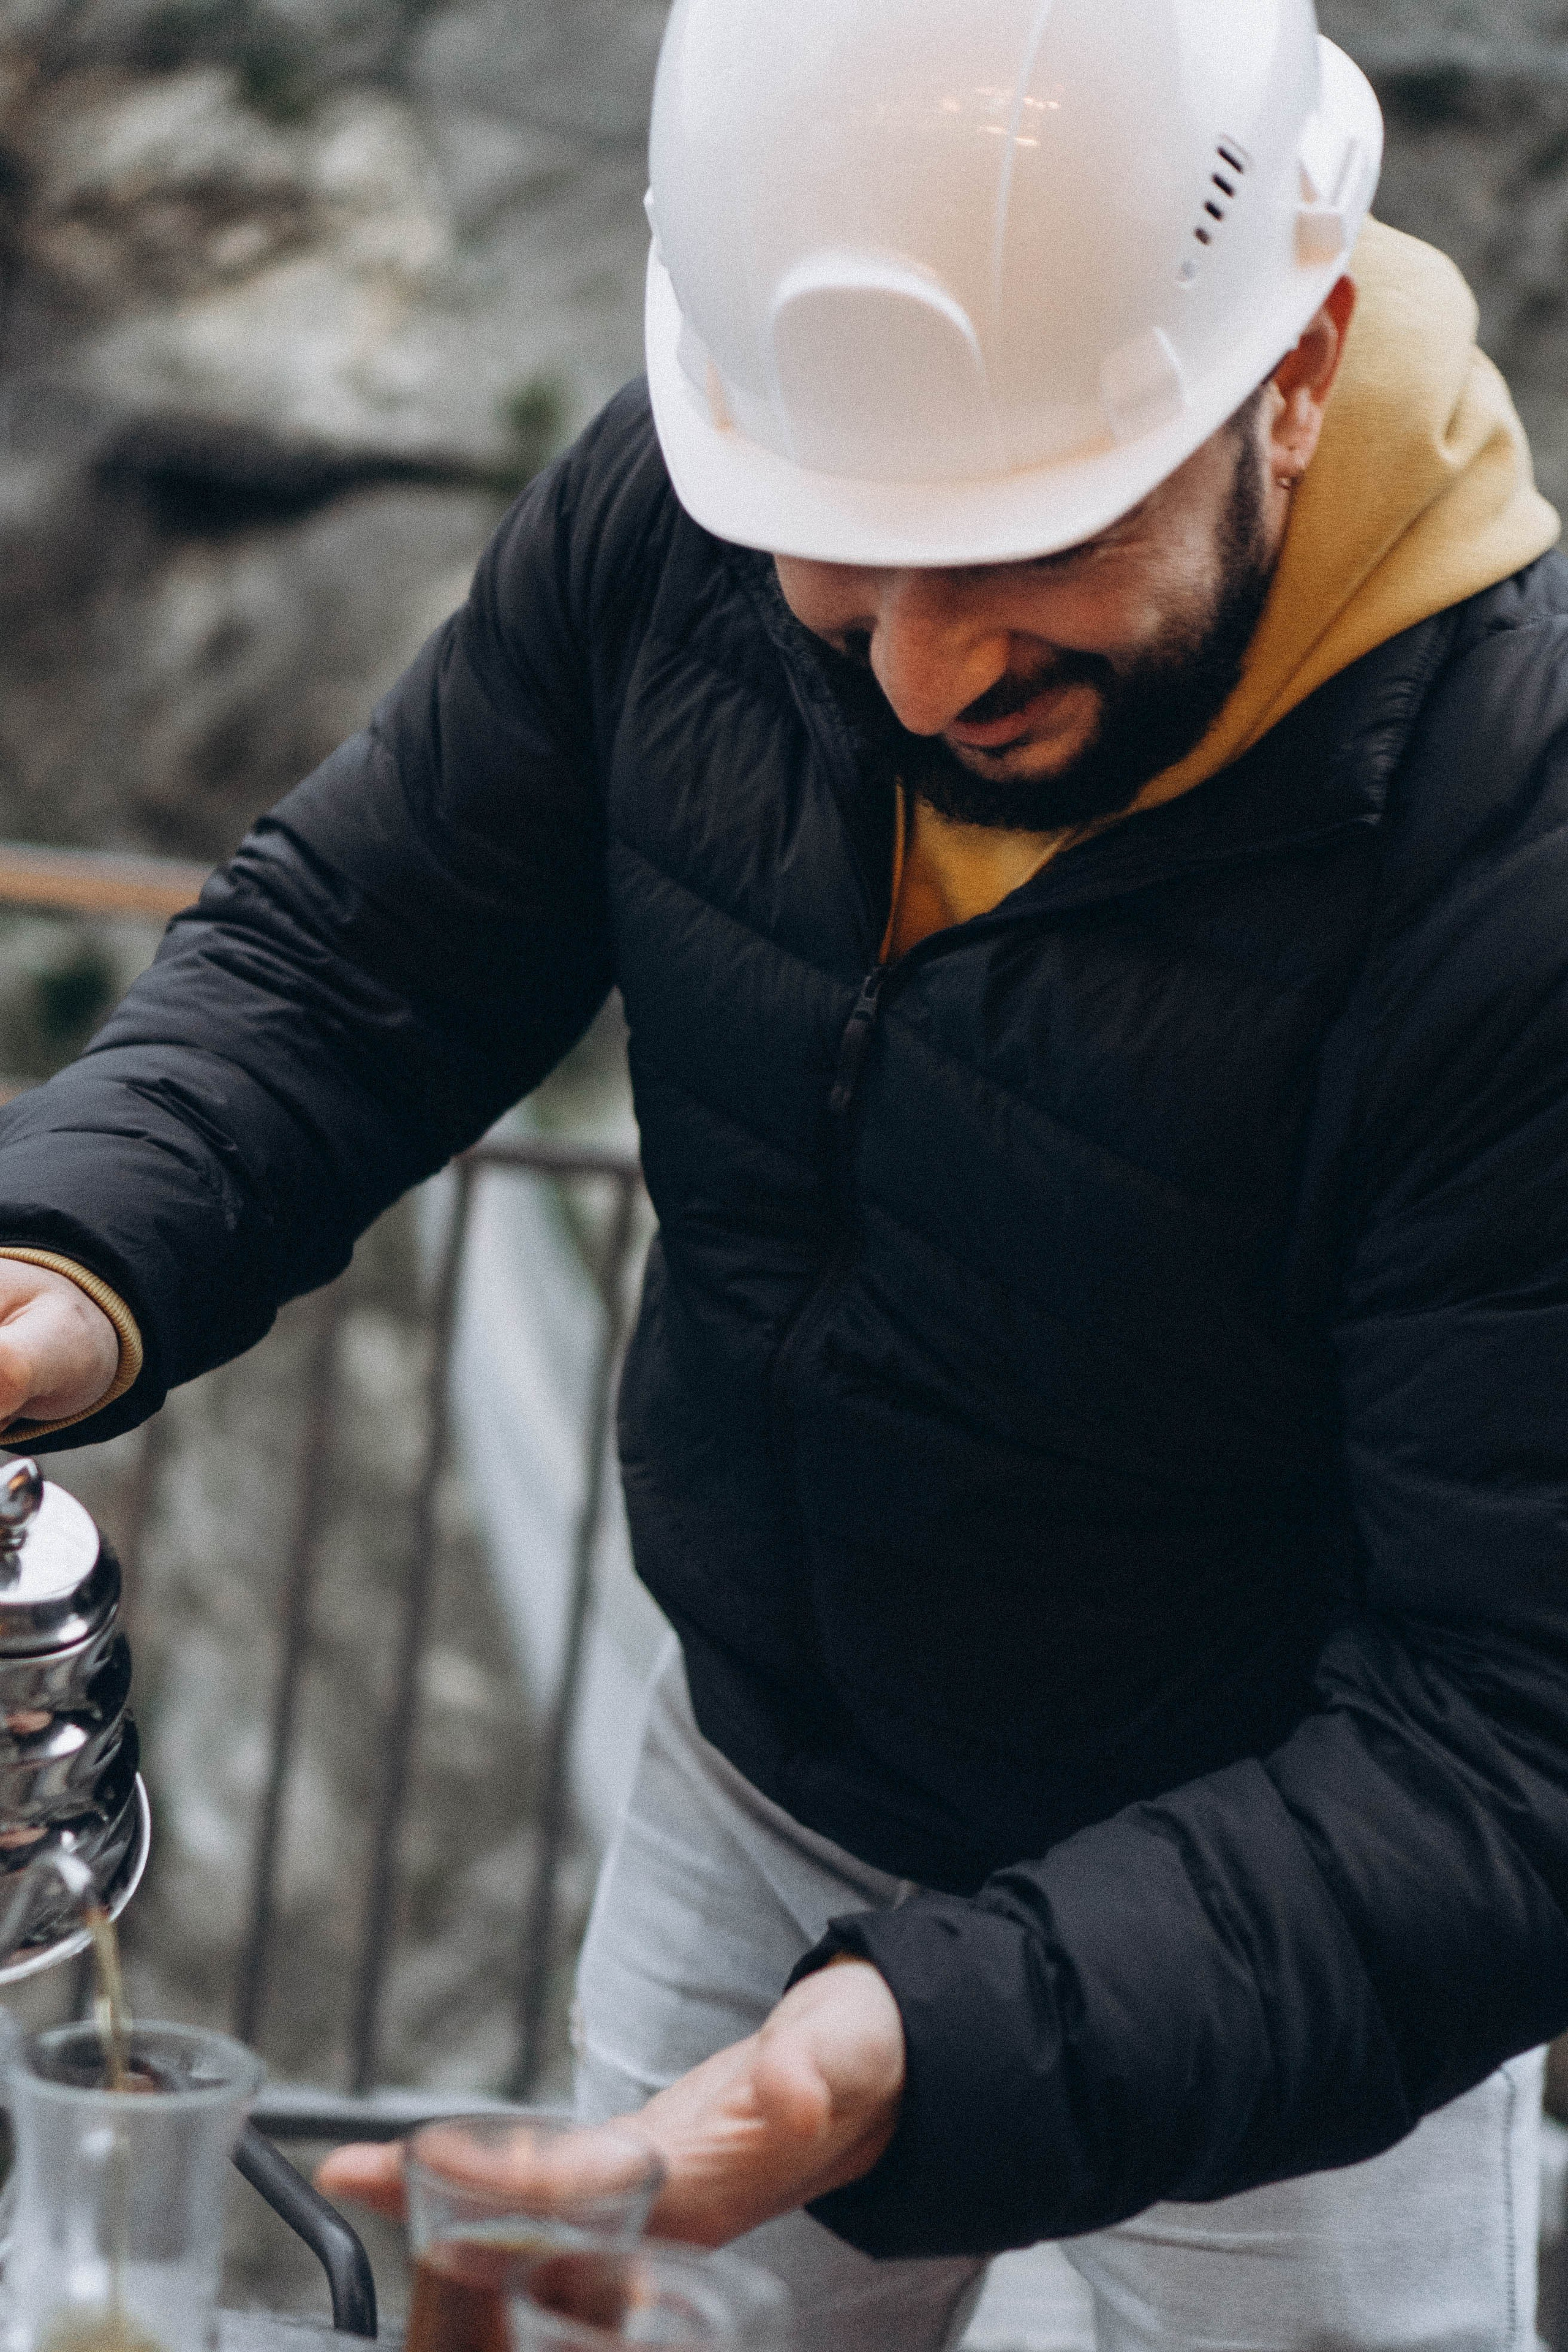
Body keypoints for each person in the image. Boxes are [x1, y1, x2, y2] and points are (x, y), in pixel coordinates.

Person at [4, 1, 1568, 2343]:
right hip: (765, 1787)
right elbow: (364, 949)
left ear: (1302, 367)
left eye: (1031, 543)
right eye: (842, 562)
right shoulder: (693, 501)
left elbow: (1506, 1743)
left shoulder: (1511, 850)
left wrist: (902, 2055)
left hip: (1307, 1979)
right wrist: (62, 1256)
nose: (923, 673)